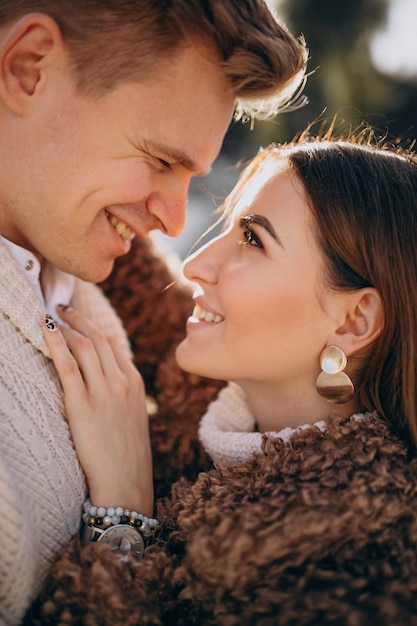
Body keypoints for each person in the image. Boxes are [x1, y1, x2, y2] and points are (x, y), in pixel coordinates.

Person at [28, 128, 417, 625]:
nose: (194, 265)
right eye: (228, 226)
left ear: (353, 321)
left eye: (253, 239)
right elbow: (130, 271)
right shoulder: (212, 385)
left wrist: (123, 521)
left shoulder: (361, 556)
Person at [0, 1, 308, 622]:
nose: (173, 221)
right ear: (30, 66)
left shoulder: (81, 278)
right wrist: (125, 523)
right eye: (161, 160)